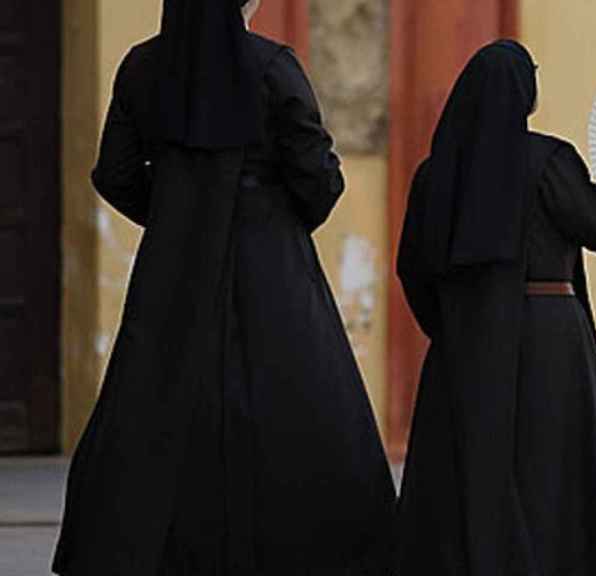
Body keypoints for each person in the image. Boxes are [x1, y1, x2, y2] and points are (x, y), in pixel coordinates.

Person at [52, 1, 395, 574]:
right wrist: (279, 224)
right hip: (270, 262)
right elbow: (318, 176)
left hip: (174, 263)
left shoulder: (141, 67)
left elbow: (113, 172)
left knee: (159, 398)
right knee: (293, 398)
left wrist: (175, 218)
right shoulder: (272, 66)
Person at [396, 40, 596, 576]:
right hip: (552, 345)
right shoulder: (548, 160)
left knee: (475, 475)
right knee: (555, 475)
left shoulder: (435, 175)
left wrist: (460, 327)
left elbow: (413, 269)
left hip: (466, 347)